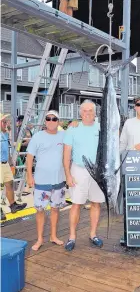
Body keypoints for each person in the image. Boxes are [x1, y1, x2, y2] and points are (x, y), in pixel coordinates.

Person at [63, 100, 105, 251]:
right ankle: (72, 236)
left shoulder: (102, 128)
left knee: (96, 203)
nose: (87, 113)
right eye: (85, 111)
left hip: (97, 171)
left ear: (95, 113)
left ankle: (93, 234)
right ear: (80, 113)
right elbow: (66, 154)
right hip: (78, 170)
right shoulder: (72, 129)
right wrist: (68, 175)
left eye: (90, 111)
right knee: (76, 204)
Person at [27, 110, 66, 251]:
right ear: (45, 121)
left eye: (54, 119)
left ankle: (53, 236)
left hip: (59, 180)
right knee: (40, 211)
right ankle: (39, 239)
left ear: (59, 122)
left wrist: (75, 124)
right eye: (48, 119)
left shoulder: (64, 135)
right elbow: (29, 157)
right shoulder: (37, 137)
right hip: (41, 182)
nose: (51, 121)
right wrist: (29, 177)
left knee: (55, 209)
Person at [0, 113, 27, 221]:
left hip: (5, 163)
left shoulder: (4, 133)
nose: (6, 123)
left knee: (9, 183)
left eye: (6, 121)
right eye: (3, 121)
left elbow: (8, 147)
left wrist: (11, 162)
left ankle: (13, 205)